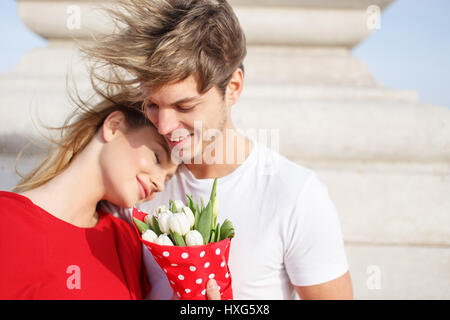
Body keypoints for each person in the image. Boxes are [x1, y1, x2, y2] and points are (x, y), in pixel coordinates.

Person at [93, 0, 353, 299]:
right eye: (152, 104)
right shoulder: (138, 183)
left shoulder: (296, 195)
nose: (163, 126)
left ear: (233, 88)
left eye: (184, 106)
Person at [0, 95, 220, 299]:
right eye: (156, 157)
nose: (160, 184)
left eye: (169, 177)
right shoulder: (7, 219)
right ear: (114, 126)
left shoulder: (125, 240)